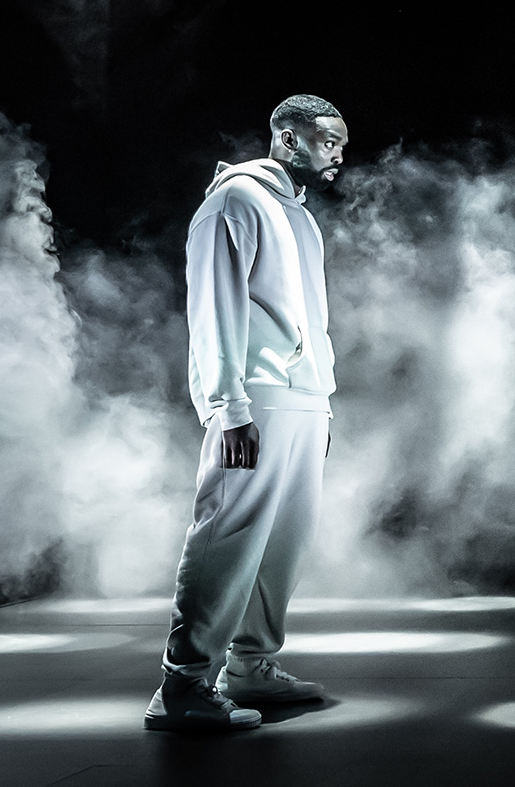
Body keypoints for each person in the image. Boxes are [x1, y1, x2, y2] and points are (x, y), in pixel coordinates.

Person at [147, 94, 349, 732]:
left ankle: (251, 665)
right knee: (229, 536)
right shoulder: (234, 201)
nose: (340, 153)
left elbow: (308, 319)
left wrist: (322, 400)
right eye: (329, 141)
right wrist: (228, 404)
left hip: (303, 400)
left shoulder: (303, 219)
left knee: (284, 542)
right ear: (288, 140)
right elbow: (215, 307)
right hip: (255, 398)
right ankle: (182, 685)